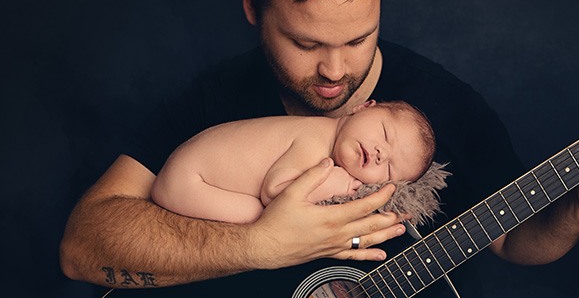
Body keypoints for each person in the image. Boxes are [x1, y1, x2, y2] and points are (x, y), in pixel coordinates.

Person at [60, 0, 579, 289]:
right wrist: (258, 246)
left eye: (357, 38)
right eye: (305, 43)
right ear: (252, 8)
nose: (335, 71)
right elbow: (84, 244)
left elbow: (514, 242)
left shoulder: (440, 103)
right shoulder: (214, 95)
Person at [150, 99, 435, 224]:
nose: (380, 153)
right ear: (363, 107)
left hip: (189, 172)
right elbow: (275, 191)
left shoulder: (322, 134)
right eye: (384, 133)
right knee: (264, 220)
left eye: (388, 169)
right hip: (186, 182)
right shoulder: (314, 140)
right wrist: (328, 184)